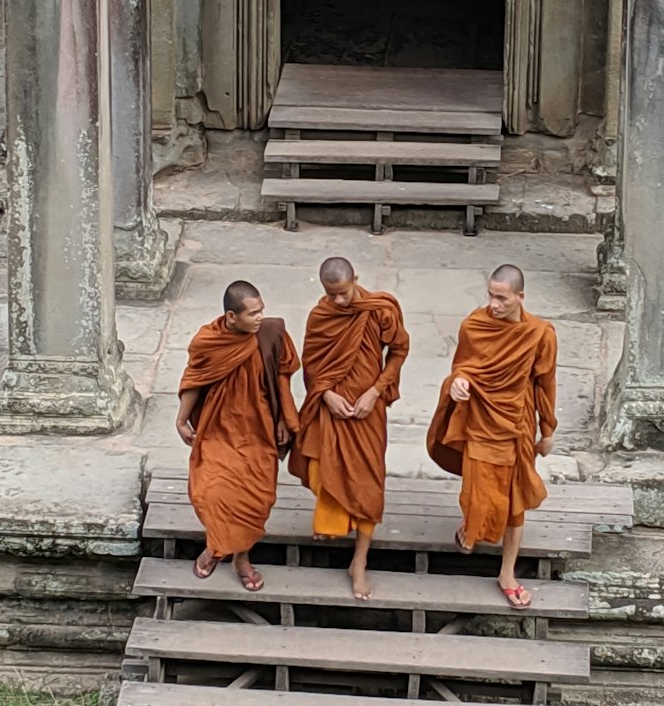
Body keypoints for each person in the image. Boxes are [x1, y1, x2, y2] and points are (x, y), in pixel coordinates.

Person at [426, 264, 557, 609]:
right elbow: (463, 365)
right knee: (478, 493)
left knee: (514, 502)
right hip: (481, 421)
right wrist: (457, 383)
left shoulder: (540, 334)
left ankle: (507, 573)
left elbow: (545, 383)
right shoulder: (474, 325)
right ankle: (470, 525)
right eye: (490, 295)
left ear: (520, 297)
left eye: (501, 298)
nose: (494, 304)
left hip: (517, 424)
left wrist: (549, 430)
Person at [288, 256, 409, 600]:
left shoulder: (379, 310)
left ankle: (359, 562)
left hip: (367, 412)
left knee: (368, 486)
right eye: (332, 294)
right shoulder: (321, 316)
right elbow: (310, 364)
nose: (339, 301)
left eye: (343, 293)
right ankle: (334, 521)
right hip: (333, 409)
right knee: (318, 470)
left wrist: (376, 391)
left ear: (356, 278)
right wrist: (325, 395)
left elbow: (399, 350)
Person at [176, 280, 300, 593]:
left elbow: (282, 378)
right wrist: (180, 420)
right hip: (218, 428)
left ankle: (239, 558)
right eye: (253, 313)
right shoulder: (209, 341)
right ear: (232, 317)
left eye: (262, 311)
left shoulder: (271, 335)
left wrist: (286, 418)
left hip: (259, 429)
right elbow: (195, 380)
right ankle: (216, 546)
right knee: (210, 492)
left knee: (256, 498)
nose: (260, 318)